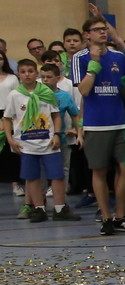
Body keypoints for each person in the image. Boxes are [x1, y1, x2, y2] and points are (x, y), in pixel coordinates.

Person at [71, 17, 125, 235]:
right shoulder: (79, 58)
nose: (103, 32)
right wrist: (93, 66)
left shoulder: (118, 57)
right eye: (97, 30)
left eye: (104, 29)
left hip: (121, 122)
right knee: (100, 170)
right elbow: (84, 90)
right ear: (87, 34)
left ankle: (121, 216)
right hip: (96, 124)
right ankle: (106, 217)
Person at [3, 60, 64, 223]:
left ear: (36, 74)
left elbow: (56, 116)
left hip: (48, 142)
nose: (27, 74)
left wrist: (57, 134)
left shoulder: (46, 92)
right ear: (18, 75)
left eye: (30, 71)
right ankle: (39, 209)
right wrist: (10, 139)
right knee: (31, 177)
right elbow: (7, 119)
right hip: (26, 144)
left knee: (57, 176)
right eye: (23, 72)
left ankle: (60, 209)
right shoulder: (14, 95)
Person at [37, 60, 80, 221]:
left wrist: (78, 132)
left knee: (63, 170)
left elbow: (75, 115)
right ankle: (39, 203)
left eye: (49, 77)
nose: (45, 80)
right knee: (41, 171)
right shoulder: (35, 95)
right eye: (43, 77)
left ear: (57, 78)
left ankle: (62, 203)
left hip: (60, 139)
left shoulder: (64, 96)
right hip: (40, 140)